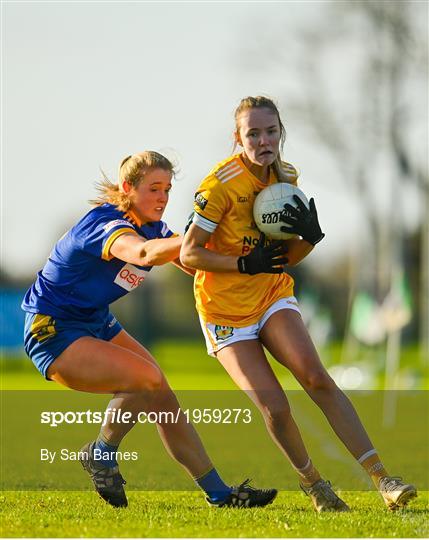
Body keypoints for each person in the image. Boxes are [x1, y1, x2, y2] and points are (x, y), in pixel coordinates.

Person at [180, 96, 417, 512]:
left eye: (271, 131)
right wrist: (241, 261)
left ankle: (385, 480)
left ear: (280, 133)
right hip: (223, 313)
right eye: (253, 133)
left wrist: (310, 238)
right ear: (238, 138)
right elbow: (188, 255)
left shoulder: (286, 177)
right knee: (274, 406)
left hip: (271, 293)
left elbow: (284, 258)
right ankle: (315, 486)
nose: (263, 140)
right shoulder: (217, 186)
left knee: (316, 377)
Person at [22, 150, 277, 509]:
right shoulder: (104, 222)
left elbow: (192, 261)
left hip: (94, 321)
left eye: (168, 189)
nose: (162, 198)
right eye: (153, 188)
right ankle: (100, 452)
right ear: (128, 187)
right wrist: (194, 235)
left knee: (163, 396)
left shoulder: (155, 229)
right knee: (146, 378)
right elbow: (143, 254)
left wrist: (247, 253)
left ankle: (220, 494)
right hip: (52, 328)